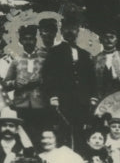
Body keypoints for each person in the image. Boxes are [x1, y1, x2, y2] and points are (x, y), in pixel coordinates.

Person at [40, 14, 98, 147]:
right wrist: (53, 96)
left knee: (81, 131)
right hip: (63, 99)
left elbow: (91, 77)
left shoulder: (84, 54)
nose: (70, 31)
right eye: (66, 29)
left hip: (82, 101)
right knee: (63, 130)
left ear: (78, 31)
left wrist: (93, 96)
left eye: (73, 28)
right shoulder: (54, 52)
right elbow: (49, 76)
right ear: (61, 31)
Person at [3, 24, 46, 133]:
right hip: (20, 105)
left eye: (31, 39)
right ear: (21, 41)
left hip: (40, 105)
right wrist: (15, 83)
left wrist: (41, 81)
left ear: (35, 40)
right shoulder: (16, 60)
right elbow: (5, 84)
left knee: (39, 133)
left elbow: (53, 81)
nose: (28, 42)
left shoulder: (44, 59)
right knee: (22, 133)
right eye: (25, 39)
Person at [93, 30, 120, 95]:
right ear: (101, 40)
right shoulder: (96, 58)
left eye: (112, 37)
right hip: (102, 94)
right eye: (106, 37)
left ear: (116, 40)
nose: (109, 40)